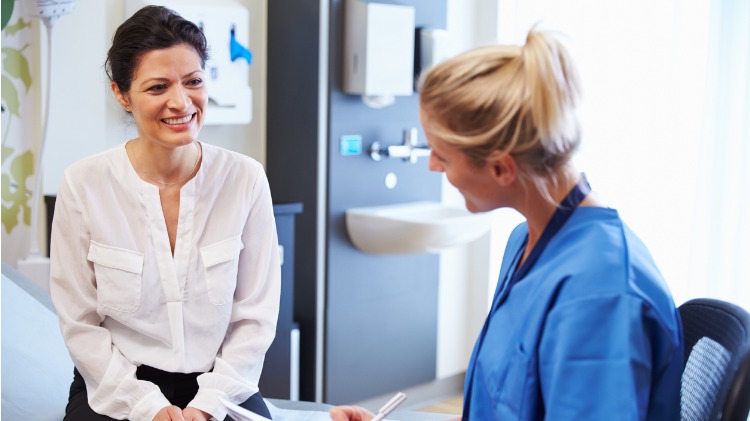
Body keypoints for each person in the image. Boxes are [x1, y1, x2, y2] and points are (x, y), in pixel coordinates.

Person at [330, 29, 683, 421]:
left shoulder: (601, 295)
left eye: (442, 157)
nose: (432, 165)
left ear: (501, 167)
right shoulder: (526, 243)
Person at [49, 6, 280, 421]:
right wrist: (147, 407)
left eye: (193, 81)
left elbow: (255, 317)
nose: (181, 101)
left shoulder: (245, 179)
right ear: (122, 93)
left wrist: (208, 405)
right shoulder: (83, 184)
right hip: (118, 384)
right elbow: (80, 322)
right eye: (157, 87)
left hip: (221, 383)